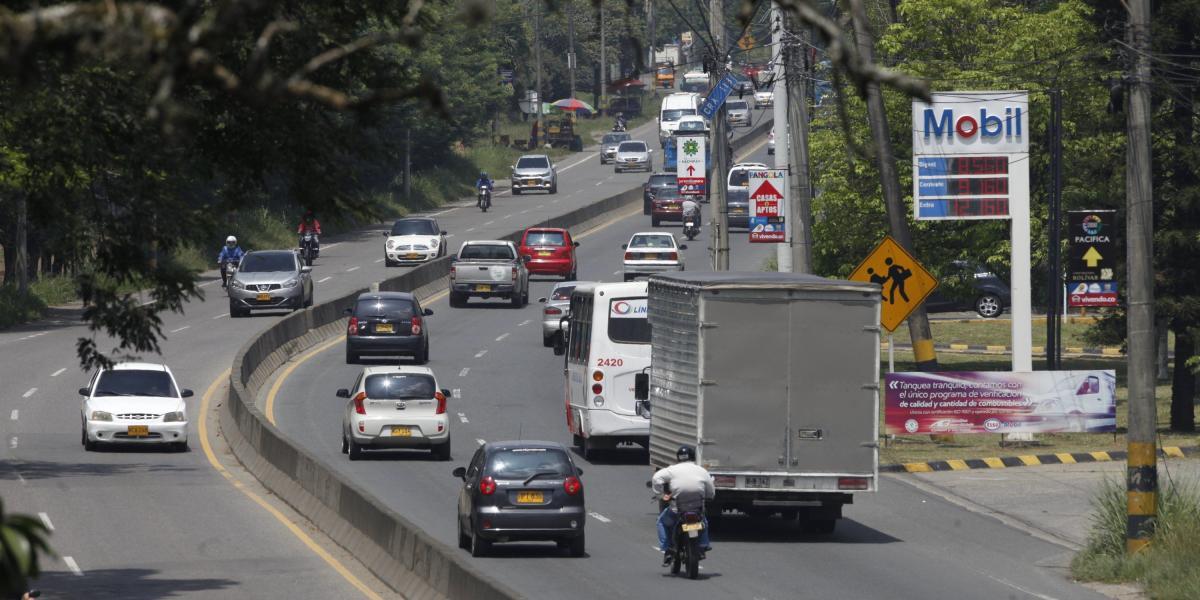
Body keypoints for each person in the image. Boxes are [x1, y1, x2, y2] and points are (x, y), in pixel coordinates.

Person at [652, 444, 715, 566]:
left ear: (678, 458)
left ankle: (667, 550)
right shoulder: (702, 471)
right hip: (697, 510)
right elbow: (710, 490)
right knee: (704, 522)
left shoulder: (672, 470)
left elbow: (656, 478)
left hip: (677, 510)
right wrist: (709, 496)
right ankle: (703, 545)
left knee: (662, 522)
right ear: (693, 457)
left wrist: (661, 495)